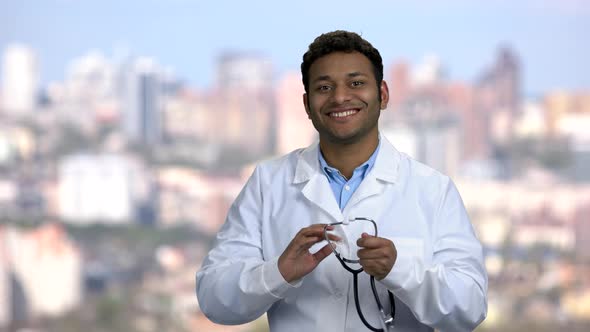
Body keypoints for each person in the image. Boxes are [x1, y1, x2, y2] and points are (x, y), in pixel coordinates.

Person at [196, 30, 487, 332]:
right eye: (324, 87)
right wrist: (277, 273)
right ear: (308, 105)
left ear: (383, 94)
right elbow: (213, 298)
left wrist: (399, 270)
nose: (340, 97)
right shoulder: (266, 184)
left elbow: (470, 308)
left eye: (356, 83)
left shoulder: (433, 190)